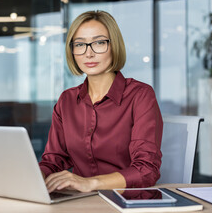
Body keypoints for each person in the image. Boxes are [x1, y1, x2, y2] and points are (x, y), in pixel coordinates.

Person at [38, 10, 163, 193]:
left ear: (114, 46)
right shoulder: (67, 100)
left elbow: (146, 170)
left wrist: (91, 183)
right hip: (79, 202)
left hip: (127, 201)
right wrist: (35, 178)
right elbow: (53, 161)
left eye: (99, 43)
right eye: (80, 44)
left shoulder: (140, 95)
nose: (89, 53)